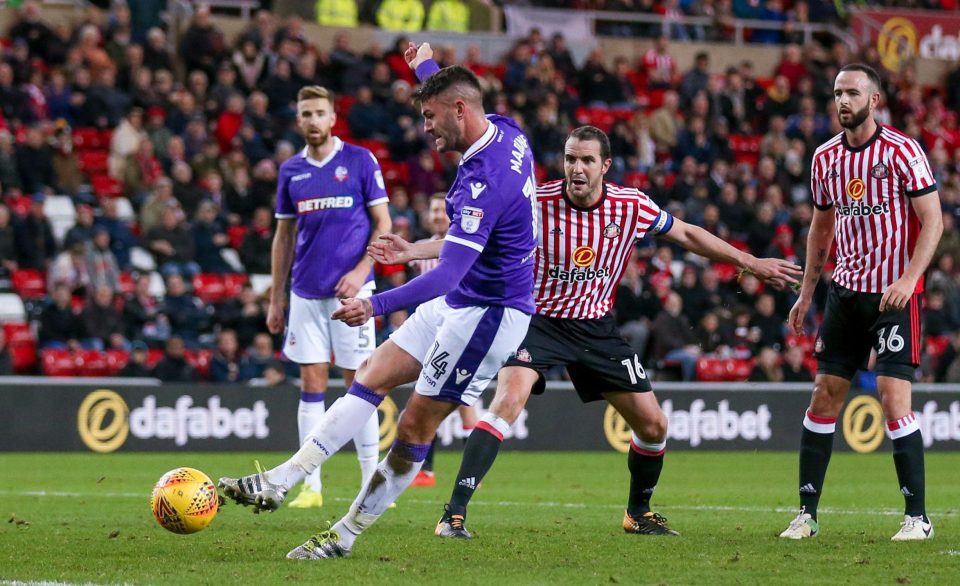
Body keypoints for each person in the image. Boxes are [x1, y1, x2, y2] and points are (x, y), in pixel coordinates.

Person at [376, 126, 799, 539]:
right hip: (535, 320)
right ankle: (453, 515)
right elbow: (472, 238)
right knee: (507, 402)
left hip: (596, 328)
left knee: (653, 426)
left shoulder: (630, 205)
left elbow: (687, 233)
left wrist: (750, 261)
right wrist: (415, 250)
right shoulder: (535, 202)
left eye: (586, 160)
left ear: (606, 166)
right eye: (570, 159)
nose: (576, 168)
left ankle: (638, 512)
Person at [219, 43, 538, 559]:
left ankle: (341, 536)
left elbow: (447, 273)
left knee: (414, 425)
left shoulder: (483, 180)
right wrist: (425, 69)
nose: (426, 129)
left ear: (459, 112)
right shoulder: (505, 129)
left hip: (488, 315)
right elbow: (469, 244)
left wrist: (376, 303)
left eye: (431, 119)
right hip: (465, 297)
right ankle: (282, 480)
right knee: (370, 374)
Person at [779, 64, 943, 541]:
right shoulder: (825, 158)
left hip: (894, 297)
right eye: (836, 93)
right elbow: (821, 228)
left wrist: (911, 279)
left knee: (893, 399)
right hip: (845, 295)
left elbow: (932, 220)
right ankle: (806, 514)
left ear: (874, 101)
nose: (842, 101)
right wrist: (807, 292)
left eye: (852, 92)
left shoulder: (902, 151)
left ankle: (918, 518)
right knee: (823, 396)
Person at [259, 85, 391, 509]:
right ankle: (310, 487)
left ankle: (372, 482)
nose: (313, 120)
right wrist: (275, 298)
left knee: (361, 384)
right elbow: (283, 237)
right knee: (311, 384)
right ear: (298, 121)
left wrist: (360, 272)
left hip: (353, 296)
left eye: (319, 113)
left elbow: (383, 223)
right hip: (304, 292)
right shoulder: (290, 171)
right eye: (305, 114)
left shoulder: (359, 160)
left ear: (333, 117)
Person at [408, 192, 479, 488]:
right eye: (433, 210)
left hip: (461, 329)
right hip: (430, 331)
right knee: (427, 397)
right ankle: (425, 470)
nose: (438, 215)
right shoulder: (419, 250)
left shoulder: (465, 246)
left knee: (465, 399)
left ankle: (473, 471)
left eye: (442, 210)